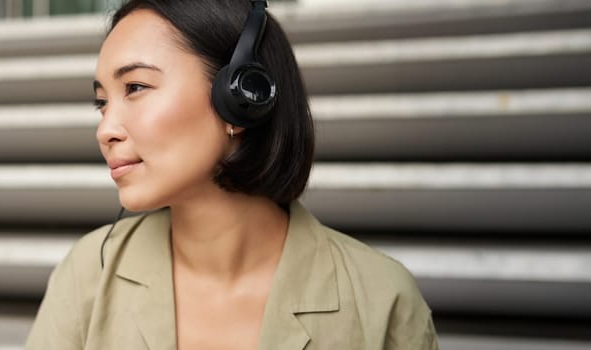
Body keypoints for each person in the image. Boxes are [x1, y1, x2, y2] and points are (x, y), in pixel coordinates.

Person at [26, 0, 438, 349]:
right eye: (101, 103)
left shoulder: (382, 298)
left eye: (135, 87)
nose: (105, 130)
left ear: (241, 98)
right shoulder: (88, 276)